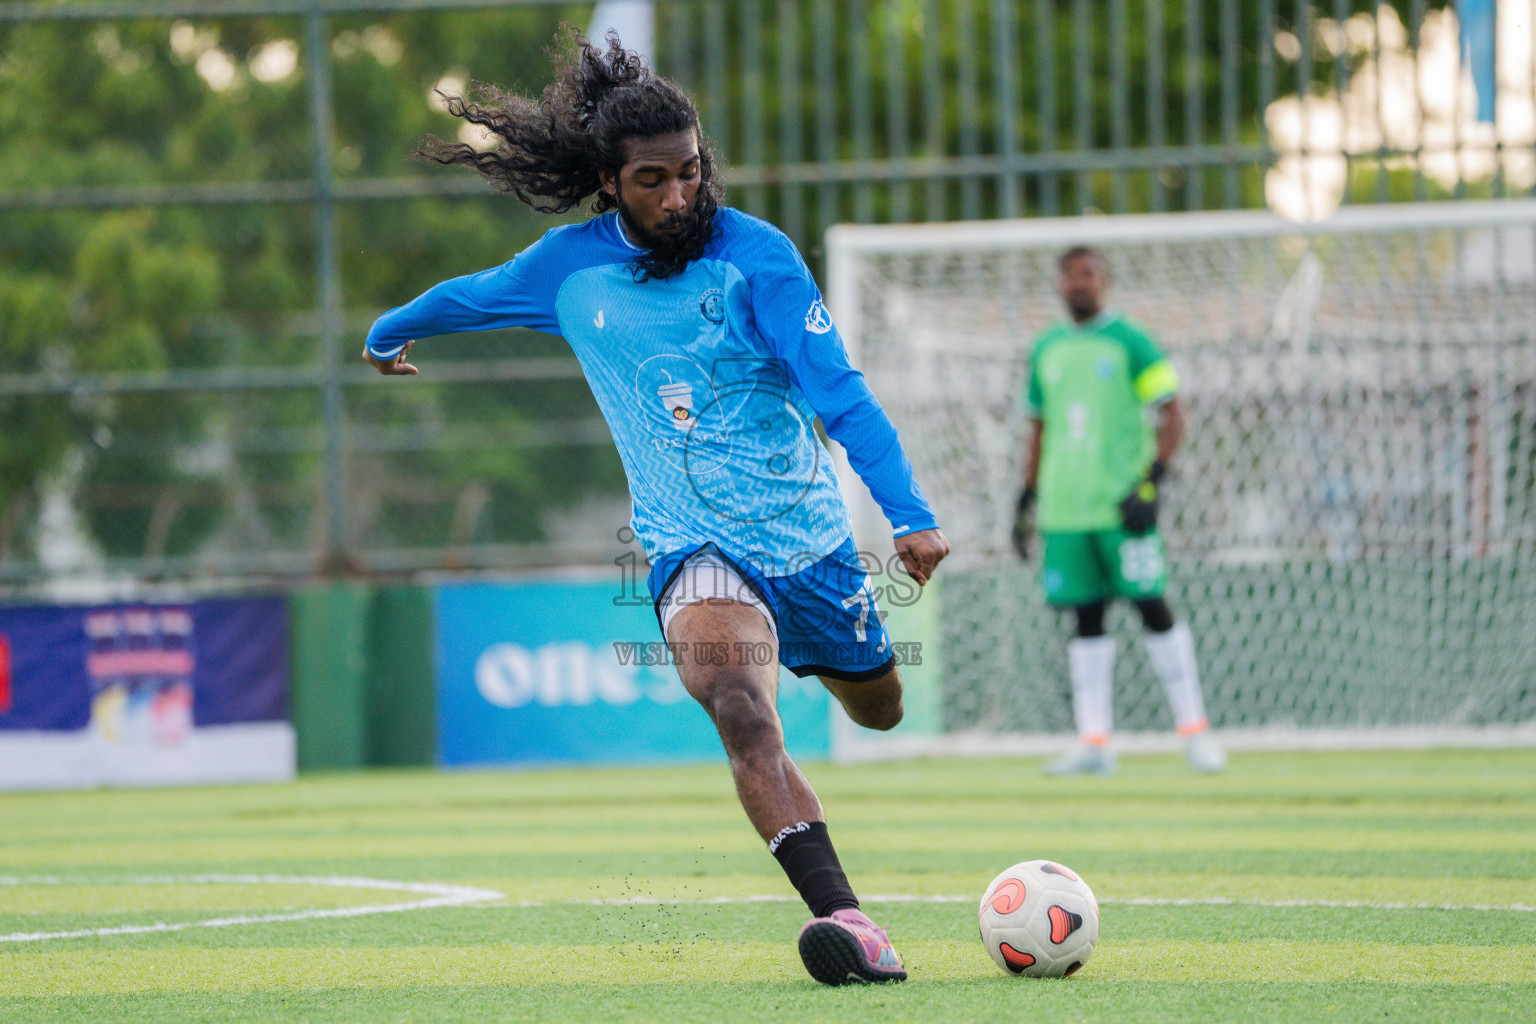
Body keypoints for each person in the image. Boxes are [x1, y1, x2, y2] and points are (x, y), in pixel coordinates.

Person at [362, 31, 948, 985]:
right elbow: (465, 298)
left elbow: (839, 392)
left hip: (808, 538)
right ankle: (848, 919)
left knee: (877, 707)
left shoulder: (756, 256)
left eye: (691, 172)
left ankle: (838, 659)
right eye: (653, 180)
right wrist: (387, 334)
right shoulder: (568, 269)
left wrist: (908, 513)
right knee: (739, 706)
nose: (679, 196)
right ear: (609, 181)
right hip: (689, 544)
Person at [1012, 245, 1224, 776]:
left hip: (1120, 507)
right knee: (1086, 620)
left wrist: (1150, 484)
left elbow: (1172, 412)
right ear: (1058, 285)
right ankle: (1095, 743)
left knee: (1153, 606)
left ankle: (1195, 732)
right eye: (1068, 276)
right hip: (1065, 510)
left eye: (1087, 274)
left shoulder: (1131, 341)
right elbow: (1038, 427)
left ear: (1104, 282)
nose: (1077, 283)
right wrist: (1026, 498)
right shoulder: (1047, 349)